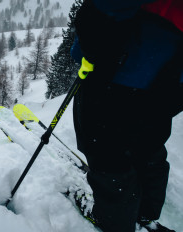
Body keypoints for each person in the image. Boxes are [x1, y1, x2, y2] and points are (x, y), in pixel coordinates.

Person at [70, 0, 183, 231]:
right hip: (174, 76)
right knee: (148, 141)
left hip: (130, 62)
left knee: (106, 147)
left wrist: (89, 48)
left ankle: (114, 221)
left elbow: (110, 6)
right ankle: (145, 213)